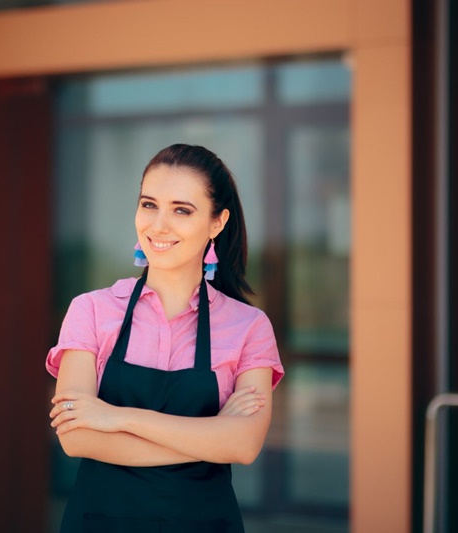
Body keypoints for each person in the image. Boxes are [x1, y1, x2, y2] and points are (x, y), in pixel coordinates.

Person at [46, 143, 284, 533]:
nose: (158, 225)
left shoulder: (249, 327)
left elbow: (243, 445)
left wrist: (115, 417)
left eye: (182, 210)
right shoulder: (90, 310)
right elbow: (77, 438)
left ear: (217, 223)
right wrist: (210, 437)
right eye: (149, 204)